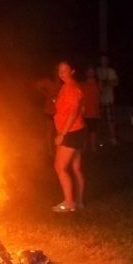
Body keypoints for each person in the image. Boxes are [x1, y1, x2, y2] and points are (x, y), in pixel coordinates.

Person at [51, 61, 86, 212]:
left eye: (65, 70)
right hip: (77, 130)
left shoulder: (71, 87)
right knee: (76, 168)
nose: (61, 73)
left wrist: (62, 135)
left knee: (59, 167)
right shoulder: (69, 86)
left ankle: (69, 202)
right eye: (59, 70)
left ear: (72, 71)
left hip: (71, 132)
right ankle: (79, 202)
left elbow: (73, 112)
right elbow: (78, 108)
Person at [95, 54, 119, 145]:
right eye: (102, 60)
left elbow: (116, 82)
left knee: (111, 120)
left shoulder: (111, 71)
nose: (104, 61)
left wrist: (106, 82)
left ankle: (113, 138)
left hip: (109, 99)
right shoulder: (97, 71)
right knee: (99, 121)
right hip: (99, 100)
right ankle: (99, 140)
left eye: (105, 60)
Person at [79, 66, 101, 151]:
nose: (91, 73)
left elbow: (100, 94)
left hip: (94, 111)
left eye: (92, 71)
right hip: (84, 112)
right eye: (89, 71)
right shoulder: (82, 84)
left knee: (93, 131)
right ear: (86, 73)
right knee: (84, 131)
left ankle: (93, 147)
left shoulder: (98, 84)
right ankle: (84, 148)